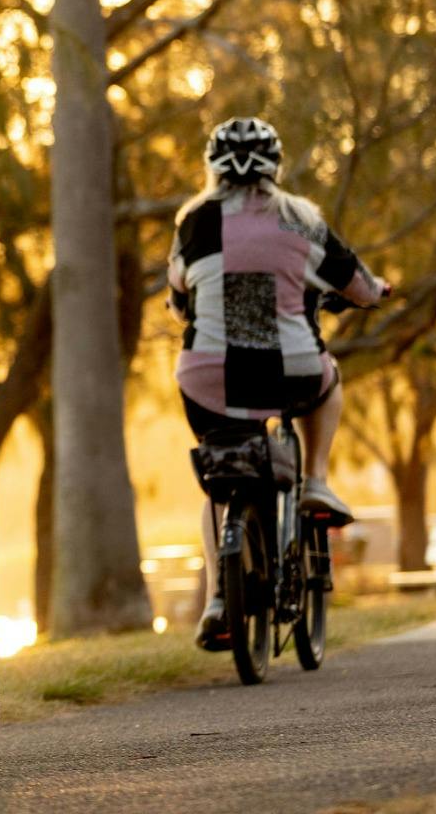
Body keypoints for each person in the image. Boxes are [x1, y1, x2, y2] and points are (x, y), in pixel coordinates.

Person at [166, 116, 389, 651]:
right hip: (291, 372)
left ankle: (221, 597)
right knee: (328, 377)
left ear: (211, 167)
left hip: (209, 378)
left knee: (221, 482)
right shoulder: (301, 218)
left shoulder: (194, 220)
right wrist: (380, 290)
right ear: (276, 165)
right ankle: (314, 479)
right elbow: (358, 286)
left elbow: (178, 294)